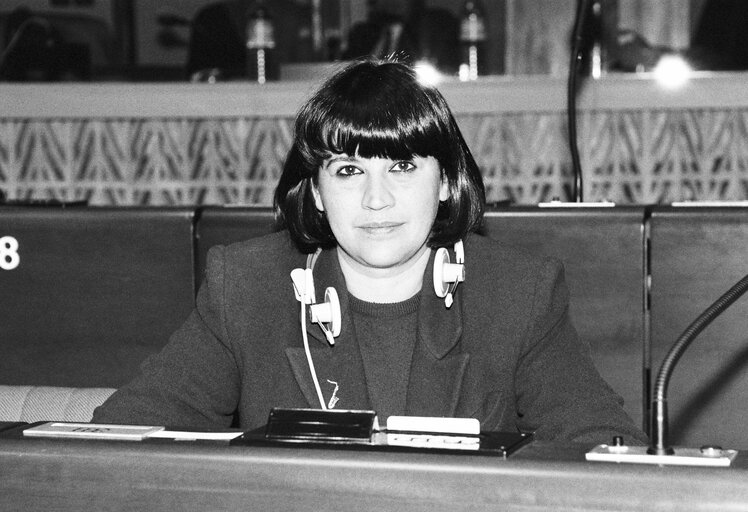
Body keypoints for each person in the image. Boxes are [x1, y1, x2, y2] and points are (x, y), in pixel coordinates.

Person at [93, 57, 645, 444]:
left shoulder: (517, 291)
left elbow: (601, 441)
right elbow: (124, 435)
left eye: (402, 167)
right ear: (315, 189)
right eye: (349, 170)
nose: (376, 199)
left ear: (448, 181)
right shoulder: (247, 284)